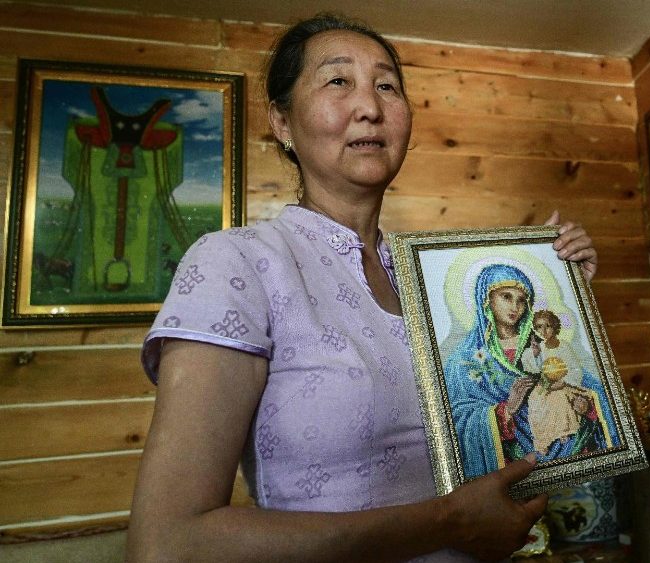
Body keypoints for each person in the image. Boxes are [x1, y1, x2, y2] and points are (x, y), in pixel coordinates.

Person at [126, 13, 599, 562]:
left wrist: (564, 297)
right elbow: (166, 546)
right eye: (337, 81)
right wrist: (450, 522)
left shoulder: (436, 277)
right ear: (282, 122)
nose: (369, 106)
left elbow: (500, 431)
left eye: (387, 86)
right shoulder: (238, 263)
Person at [444, 266, 612, 478]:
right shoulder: (465, 358)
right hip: (511, 472)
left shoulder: (542, 345)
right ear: (487, 300)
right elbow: (458, 419)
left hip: (567, 448)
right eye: (506, 296)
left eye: (522, 300)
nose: (515, 306)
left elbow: (586, 383)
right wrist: (506, 410)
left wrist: (585, 403)